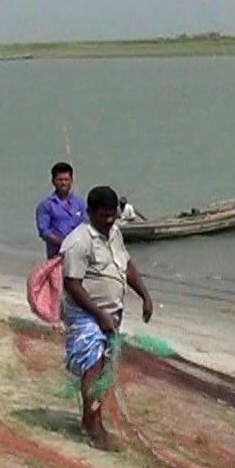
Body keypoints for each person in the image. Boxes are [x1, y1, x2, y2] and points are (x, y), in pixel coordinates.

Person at [61, 185, 154, 450]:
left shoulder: (114, 234)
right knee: (93, 366)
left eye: (112, 215)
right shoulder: (78, 241)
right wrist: (98, 314)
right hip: (85, 315)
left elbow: (126, 265)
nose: (109, 220)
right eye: (103, 216)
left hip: (111, 314)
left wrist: (145, 296)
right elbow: (72, 283)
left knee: (104, 369)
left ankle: (89, 420)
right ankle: (93, 427)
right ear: (90, 213)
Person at [35, 161, 86, 259]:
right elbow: (44, 232)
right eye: (60, 180)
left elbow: (86, 225)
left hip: (79, 255)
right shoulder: (46, 205)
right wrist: (65, 243)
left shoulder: (79, 203)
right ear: (53, 181)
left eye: (66, 180)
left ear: (71, 180)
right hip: (57, 255)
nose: (63, 183)